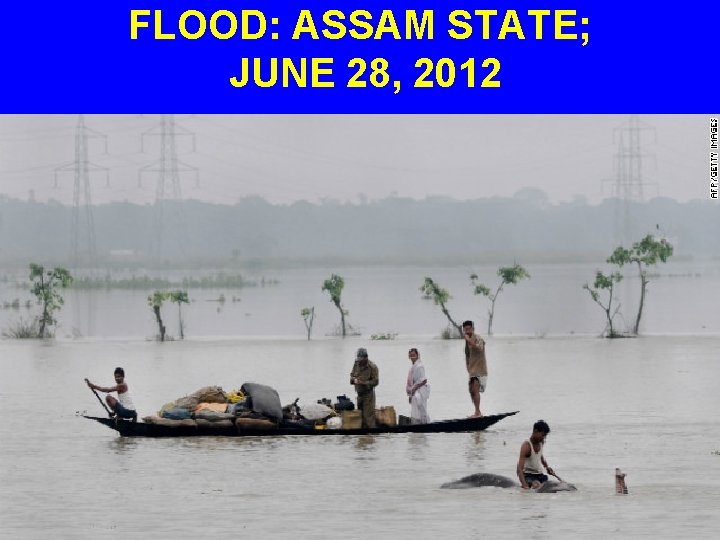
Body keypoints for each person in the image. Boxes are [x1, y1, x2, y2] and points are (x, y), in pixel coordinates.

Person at [517, 420, 557, 489]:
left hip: (540, 475)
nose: (543, 438)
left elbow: (540, 455)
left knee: (554, 485)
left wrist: (547, 467)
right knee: (537, 485)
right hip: (528, 476)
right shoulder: (526, 446)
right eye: (542, 435)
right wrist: (524, 484)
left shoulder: (541, 442)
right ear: (535, 431)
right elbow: (519, 469)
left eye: (545, 436)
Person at [462, 320, 487, 417]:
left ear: (473, 329)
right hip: (472, 370)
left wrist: (469, 340)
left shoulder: (478, 338)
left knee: (475, 389)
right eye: (465, 329)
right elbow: (467, 355)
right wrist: (467, 366)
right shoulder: (466, 341)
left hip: (480, 369)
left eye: (469, 329)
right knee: (471, 391)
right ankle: (476, 411)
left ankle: (478, 412)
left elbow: (479, 348)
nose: (467, 331)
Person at [350, 347, 379, 428]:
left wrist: (363, 382)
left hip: (368, 395)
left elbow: (375, 382)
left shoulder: (372, 367)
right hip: (359, 394)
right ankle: (362, 438)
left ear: (366, 358)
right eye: (358, 359)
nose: (359, 361)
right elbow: (352, 374)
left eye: (361, 359)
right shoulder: (356, 363)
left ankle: (370, 437)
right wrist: (353, 380)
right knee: (360, 416)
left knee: (368, 418)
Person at [406, 348, 430, 424]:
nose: (412, 357)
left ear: (417, 355)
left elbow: (424, 380)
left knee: (421, 409)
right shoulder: (412, 367)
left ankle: (424, 425)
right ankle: (417, 424)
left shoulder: (420, 366)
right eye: (411, 355)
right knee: (416, 410)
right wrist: (411, 393)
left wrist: (414, 389)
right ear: (409, 356)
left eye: (414, 355)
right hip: (415, 391)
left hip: (420, 391)